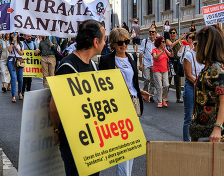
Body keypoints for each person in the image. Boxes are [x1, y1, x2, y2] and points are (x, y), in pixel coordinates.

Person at [50, 20, 105, 176]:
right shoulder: (67, 67)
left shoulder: (93, 66)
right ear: (96, 42)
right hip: (74, 142)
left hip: (93, 139)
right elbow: (54, 108)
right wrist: (56, 130)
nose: (105, 43)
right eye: (104, 38)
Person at [98, 28, 150, 176]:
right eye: (120, 42)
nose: (124, 45)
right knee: (122, 146)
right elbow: (102, 86)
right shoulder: (106, 60)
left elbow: (132, 82)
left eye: (126, 41)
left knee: (132, 146)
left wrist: (141, 92)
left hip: (134, 103)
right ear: (113, 43)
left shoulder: (131, 58)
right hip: (117, 105)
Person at [191, 26, 224, 142]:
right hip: (199, 130)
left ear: (206, 45)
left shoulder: (217, 69)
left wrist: (217, 128)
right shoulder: (206, 69)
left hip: (212, 133)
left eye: (197, 43)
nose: (194, 47)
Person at [182, 36, 204, 142]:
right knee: (189, 118)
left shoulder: (205, 56)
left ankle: (196, 141)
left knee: (201, 117)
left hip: (203, 88)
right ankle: (187, 142)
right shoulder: (188, 55)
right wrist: (199, 84)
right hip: (191, 87)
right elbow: (188, 75)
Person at [152, 36, 173, 108]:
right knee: (159, 86)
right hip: (157, 70)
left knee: (166, 85)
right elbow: (155, 57)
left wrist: (171, 49)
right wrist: (162, 52)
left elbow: (171, 55)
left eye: (164, 42)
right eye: (163, 42)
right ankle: (160, 101)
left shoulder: (165, 50)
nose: (164, 43)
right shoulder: (154, 50)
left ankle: (164, 99)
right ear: (159, 43)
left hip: (165, 70)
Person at [166, 28, 185, 103]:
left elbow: (180, 49)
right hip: (170, 63)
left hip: (177, 63)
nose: (172, 34)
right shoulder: (168, 40)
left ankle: (178, 98)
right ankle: (165, 97)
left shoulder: (178, 42)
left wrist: (182, 43)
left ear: (176, 34)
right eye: (171, 33)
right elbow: (171, 45)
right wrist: (179, 39)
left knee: (178, 81)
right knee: (168, 81)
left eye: (174, 33)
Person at [139, 27, 157, 103]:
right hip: (146, 63)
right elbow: (141, 53)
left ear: (156, 33)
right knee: (147, 79)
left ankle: (151, 95)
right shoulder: (145, 41)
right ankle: (144, 93)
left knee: (153, 81)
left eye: (153, 32)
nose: (151, 33)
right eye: (150, 32)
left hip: (155, 64)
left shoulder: (157, 42)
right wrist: (140, 64)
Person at [7, 33, 24, 103]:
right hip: (11, 61)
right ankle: (13, 95)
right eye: (12, 33)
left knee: (20, 79)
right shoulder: (8, 42)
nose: (14, 34)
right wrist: (12, 43)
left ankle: (19, 92)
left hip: (19, 61)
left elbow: (21, 53)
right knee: (13, 78)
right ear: (11, 35)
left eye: (15, 33)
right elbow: (10, 50)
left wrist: (16, 46)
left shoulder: (21, 43)